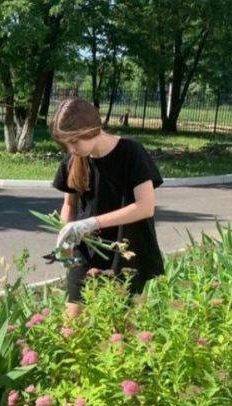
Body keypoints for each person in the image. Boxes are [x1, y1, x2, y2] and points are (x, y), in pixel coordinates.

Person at [49, 97, 165, 318]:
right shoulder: (74, 159)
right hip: (86, 251)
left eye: (74, 141)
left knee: (122, 330)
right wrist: (66, 235)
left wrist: (92, 222)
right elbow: (69, 204)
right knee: (72, 326)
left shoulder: (132, 152)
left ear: (91, 129)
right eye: (66, 144)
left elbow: (145, 207)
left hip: (127, 251)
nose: (71, 149)